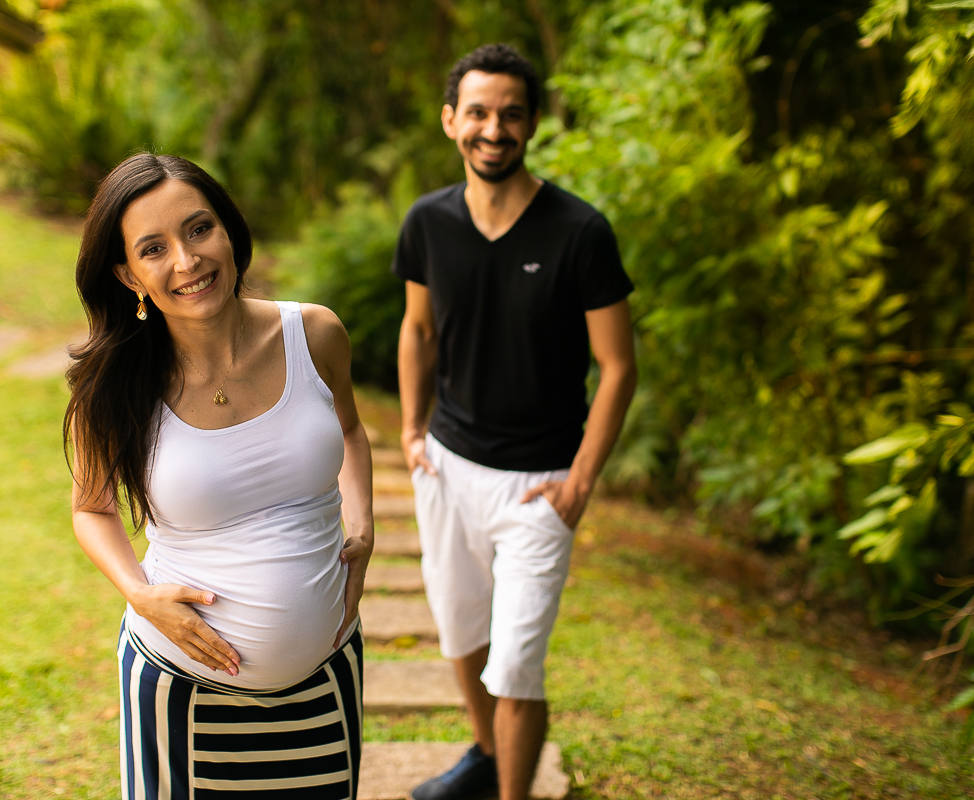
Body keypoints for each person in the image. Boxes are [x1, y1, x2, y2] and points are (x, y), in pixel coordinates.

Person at [65, 153, 373, 800]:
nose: (186, 260)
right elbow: (91, 508)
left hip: (324, 676)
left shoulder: (315, 334)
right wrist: (138, 592)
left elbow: (348, 429)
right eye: (154, 248)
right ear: (128, 274)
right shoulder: (115, 385)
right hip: (180, 689)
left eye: (199, 229)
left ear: (229, 231)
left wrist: (363, 528)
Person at [394, 44, 637, 800]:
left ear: (532, 123)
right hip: (448, 466)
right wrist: (409, 430)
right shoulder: (427, 222)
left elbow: (619, 367)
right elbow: (417, 331)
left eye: (510, 113)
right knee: (462, 635)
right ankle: (483, 757)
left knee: (517, 663)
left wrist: (582, 482)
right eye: (477, 112)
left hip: (541, 483)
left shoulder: (579, 232)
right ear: (450, 120)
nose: (493, 129)